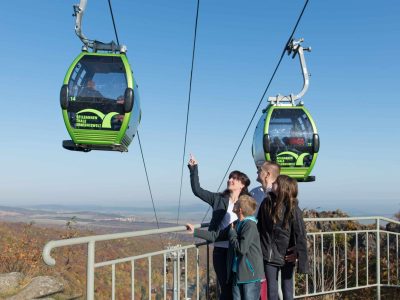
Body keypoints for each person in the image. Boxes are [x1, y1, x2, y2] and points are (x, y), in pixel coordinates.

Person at [187, 154, 251, 300]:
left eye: (235, 178)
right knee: (226, 287)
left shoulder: (247, 202)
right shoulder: (218, 199)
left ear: (242, 184)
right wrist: (193, 168)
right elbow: (197, 190)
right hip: (221, 250)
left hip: (237, 250)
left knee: (237, 288)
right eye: (230, 177)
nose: (230, 180)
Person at [257, 175, 309, 300]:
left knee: (287, 290)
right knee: (272, 290)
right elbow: (259, 227)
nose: (272, 184)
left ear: (282, 188)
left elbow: (300, 234)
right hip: (268, 254)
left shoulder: (293, 208)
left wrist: (300, 258)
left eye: (275, 182)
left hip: (287, 255)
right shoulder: (266, 203)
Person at [249, 161, 281, 300]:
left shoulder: (279, 194)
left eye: (259, 170)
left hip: (272, 248)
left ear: (267, 174)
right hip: (255, 244)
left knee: (274, 285)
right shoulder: (254, 192)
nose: (257, 172)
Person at [228, 195, 264, 299]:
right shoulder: (237, 223)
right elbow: (217, 235)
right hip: (238, 272)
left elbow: (241, 249)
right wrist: (195, 232)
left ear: (239, 210)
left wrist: (232, 234)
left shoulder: (249, 225)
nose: (234, 203)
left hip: (249, 274)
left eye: (236, 203)